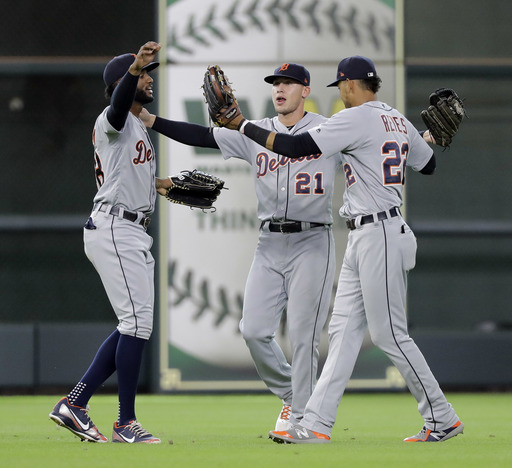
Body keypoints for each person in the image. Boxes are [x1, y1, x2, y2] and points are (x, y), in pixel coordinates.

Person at [221, 56, 464, 443]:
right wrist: (422, 138)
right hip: (366, 233)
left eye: (341, 88)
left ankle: (441, 416)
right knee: (344, 332)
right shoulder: (395, 119)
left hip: (380, 231)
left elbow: (296, 144)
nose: (341, 95)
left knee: (390, 334)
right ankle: (315, 423)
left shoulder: (355, 118)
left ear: (350, 85)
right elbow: (428, 165)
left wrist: (242, 125)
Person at [140, 63, 342, 431]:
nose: (280, 89)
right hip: (269, 243)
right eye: (276, 84)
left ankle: (302, 419)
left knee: (302, 334)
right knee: (253, 330)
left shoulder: (327, 129)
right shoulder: (256, 131)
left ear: (305, 91)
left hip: (313, 240)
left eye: (288, 83)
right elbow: (201, 136)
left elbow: (370, 148)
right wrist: (151, 119)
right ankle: (293, 395)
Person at [49, 41, 173, 444]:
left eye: (149, 71)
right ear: (124, 81)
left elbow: (125, 175)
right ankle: (124, 422)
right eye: (142, 73)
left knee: (134, 325)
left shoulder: (139, 126)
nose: (150, 77)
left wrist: (160, 186)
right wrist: (134, 68)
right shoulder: (112, 118)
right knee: (135, 324)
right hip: (115, 228)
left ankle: (76, 404)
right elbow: (118, 106)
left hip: (132, 229)